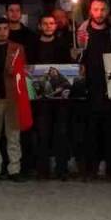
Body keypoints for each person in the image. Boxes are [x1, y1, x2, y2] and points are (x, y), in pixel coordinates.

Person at [76, 0, 111, 181]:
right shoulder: (82, 31)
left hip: (109, 85)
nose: (99, 13)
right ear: (90, 11)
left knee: (110, 129)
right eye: (96, 9)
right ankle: (89, 168)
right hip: (90, 86)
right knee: (90, 128)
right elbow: (78, 56)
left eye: (102, 9)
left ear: (107, 11)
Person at [30, 14, 75, 180]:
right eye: (45, 23)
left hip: (61, 100)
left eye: (51, 23)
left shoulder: (63, 45)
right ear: (40, 26)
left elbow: (71, 70)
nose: (48, 26)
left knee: (61, 133)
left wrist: (74, 58)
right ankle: (42, 169)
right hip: (40, 99)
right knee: (42, 133)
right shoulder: (33, 45)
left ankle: (61, 169)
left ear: (56, 26)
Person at [0, 18, 27, 182]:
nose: (2, 32)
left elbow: (25, 72)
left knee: (13, 136)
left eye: (5, 28)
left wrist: (16, 71)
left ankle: (14, 169)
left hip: (12, 97)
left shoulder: (18, 48)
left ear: (9, 30)